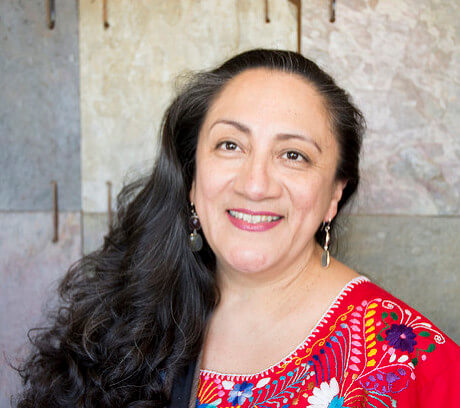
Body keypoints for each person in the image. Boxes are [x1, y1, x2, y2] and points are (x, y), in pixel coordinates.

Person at [15, 49, 459, 408]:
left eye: (293, 155)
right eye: (230, 145)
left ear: (334, 195)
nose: (255, 185)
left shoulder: (409, 359)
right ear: (192, 176)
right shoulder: (131, 318)